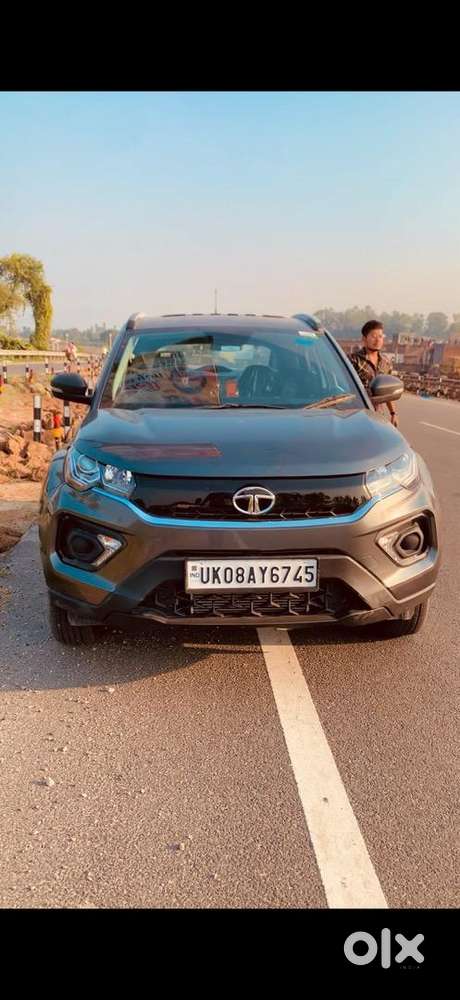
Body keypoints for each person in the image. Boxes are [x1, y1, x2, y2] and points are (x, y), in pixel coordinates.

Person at [348, 320, 398, 427]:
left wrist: (393, 413)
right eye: (373, 336)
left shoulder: (386, 362)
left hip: (379, 417)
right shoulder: (354, 360)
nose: (377, 340)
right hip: (358, 415)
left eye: (380, 336)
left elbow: (388, 391)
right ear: (364, 339)